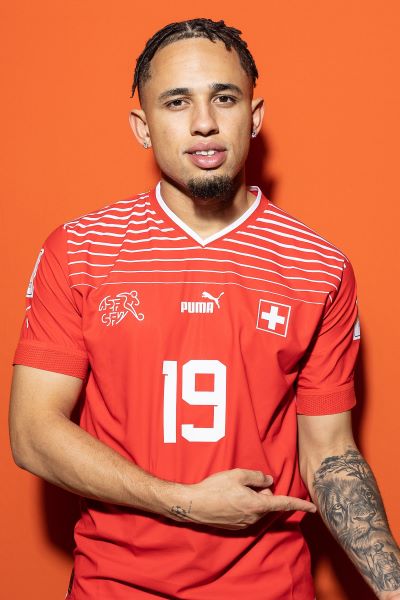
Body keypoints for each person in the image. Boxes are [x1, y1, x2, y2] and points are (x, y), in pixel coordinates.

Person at [9, 17, 399, 600]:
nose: (203, 123)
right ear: (142, 126)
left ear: (254, 116)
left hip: (270, 586)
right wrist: (185, 503)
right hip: (116, 587)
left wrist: (392, 585)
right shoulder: (81, 250)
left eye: (224, 97)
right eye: (176, 102)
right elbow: (32, 431)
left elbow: (330, 452)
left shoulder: (319, 265)